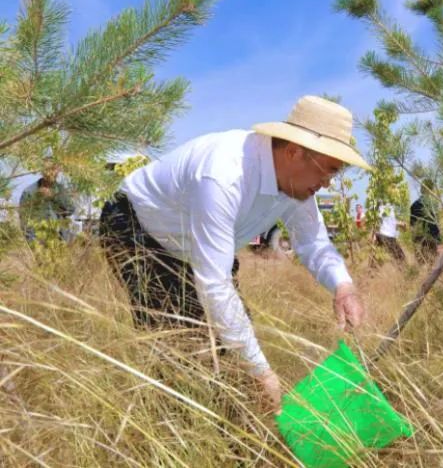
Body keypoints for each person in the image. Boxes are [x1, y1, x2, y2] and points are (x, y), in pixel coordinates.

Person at [99, 96, 370, 412]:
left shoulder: (296, 185)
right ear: (295, 152)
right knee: (180, 346)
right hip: (138, 229)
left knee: (232, 342)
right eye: (328, 171)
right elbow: (214, 284)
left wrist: (343, 287)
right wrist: (262, 372)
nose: (327, 184)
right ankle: (172, 425)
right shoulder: (224, 173)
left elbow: (313, 243)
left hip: (196, 248)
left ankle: (229, 422)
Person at [19, 159, 76, 243]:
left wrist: (54, 197)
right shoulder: (29, 192)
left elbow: (71, 209)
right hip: (37, 241)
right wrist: (32, 241)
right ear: (42, 171)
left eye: (54, 169)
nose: (51, 173)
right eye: (48, 169)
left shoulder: (61, 190)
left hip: (59, 241)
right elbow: (24, 219)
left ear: (58, 171)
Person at [410, 178, 441, 264]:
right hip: (432, 237)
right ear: (431, 189)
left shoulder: (414, 204)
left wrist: (414, 240)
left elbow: (412, 225)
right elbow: (436, 223)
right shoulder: (435, 203)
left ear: (422, 189)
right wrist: (438, 240)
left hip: (419, 238)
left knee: (421, 263)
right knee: (432, 264)